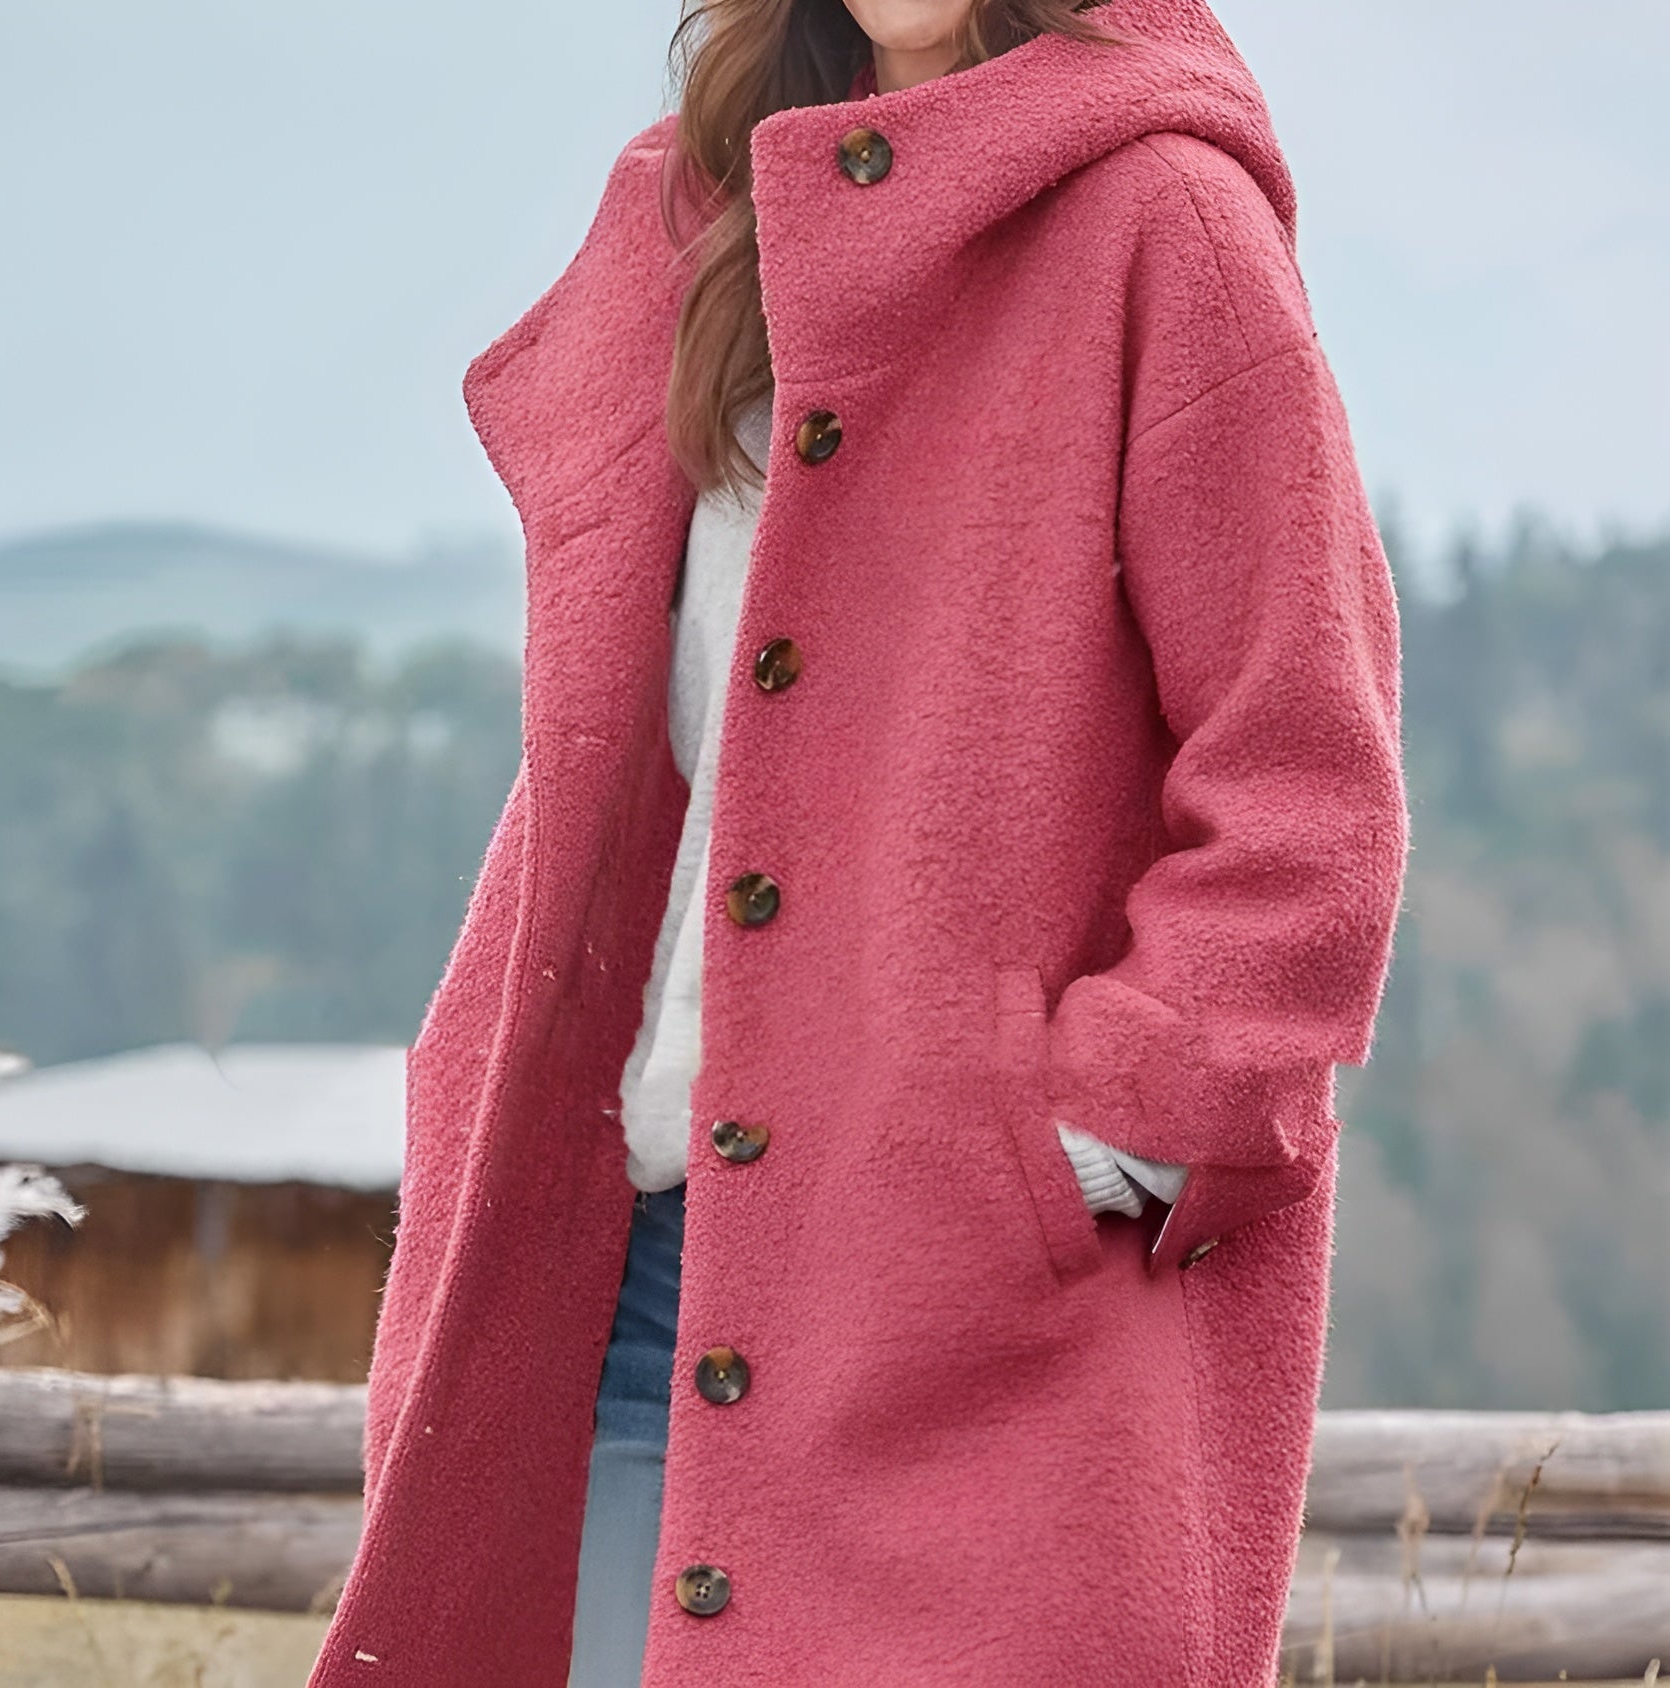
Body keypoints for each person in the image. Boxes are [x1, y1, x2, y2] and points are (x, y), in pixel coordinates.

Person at [308, 0, 1410, 1684]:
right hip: (617, 1252)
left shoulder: (1162, 216)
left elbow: (1305, 775)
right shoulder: (707, 214)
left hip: (961, 1307)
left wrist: (1081, 1143)